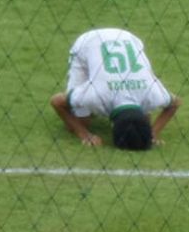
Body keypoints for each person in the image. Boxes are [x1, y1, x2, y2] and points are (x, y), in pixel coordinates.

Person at [49, 28, 181, 150]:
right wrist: (84, 134)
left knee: (142, 121)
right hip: (88, 43)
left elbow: (176, 103)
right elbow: (56, 101)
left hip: (129, 39)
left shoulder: (152, 95)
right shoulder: (95, 96)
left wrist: (152, 133)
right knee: (81, 121)